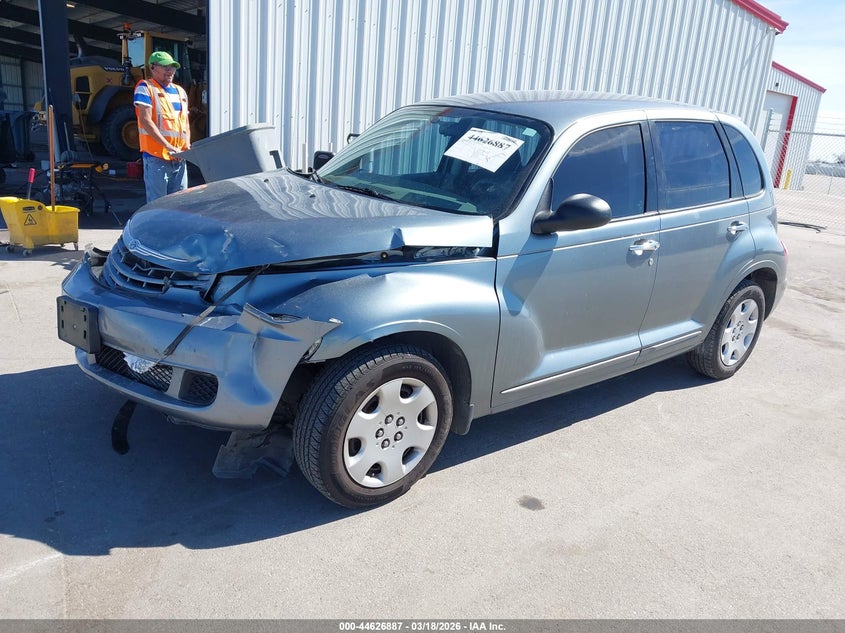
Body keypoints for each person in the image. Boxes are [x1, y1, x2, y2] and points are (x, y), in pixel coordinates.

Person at [133, 51, 191, 203]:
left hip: (179, 158)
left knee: (180, 205)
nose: (170, 71)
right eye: (165, 67)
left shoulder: (181, 92)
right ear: (152, 68)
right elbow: (146, 121)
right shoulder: (145, 88)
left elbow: (185, 123)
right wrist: (168, 147)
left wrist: (186, 148)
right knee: (158, 206)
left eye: (172, 67)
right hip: (156, 157)